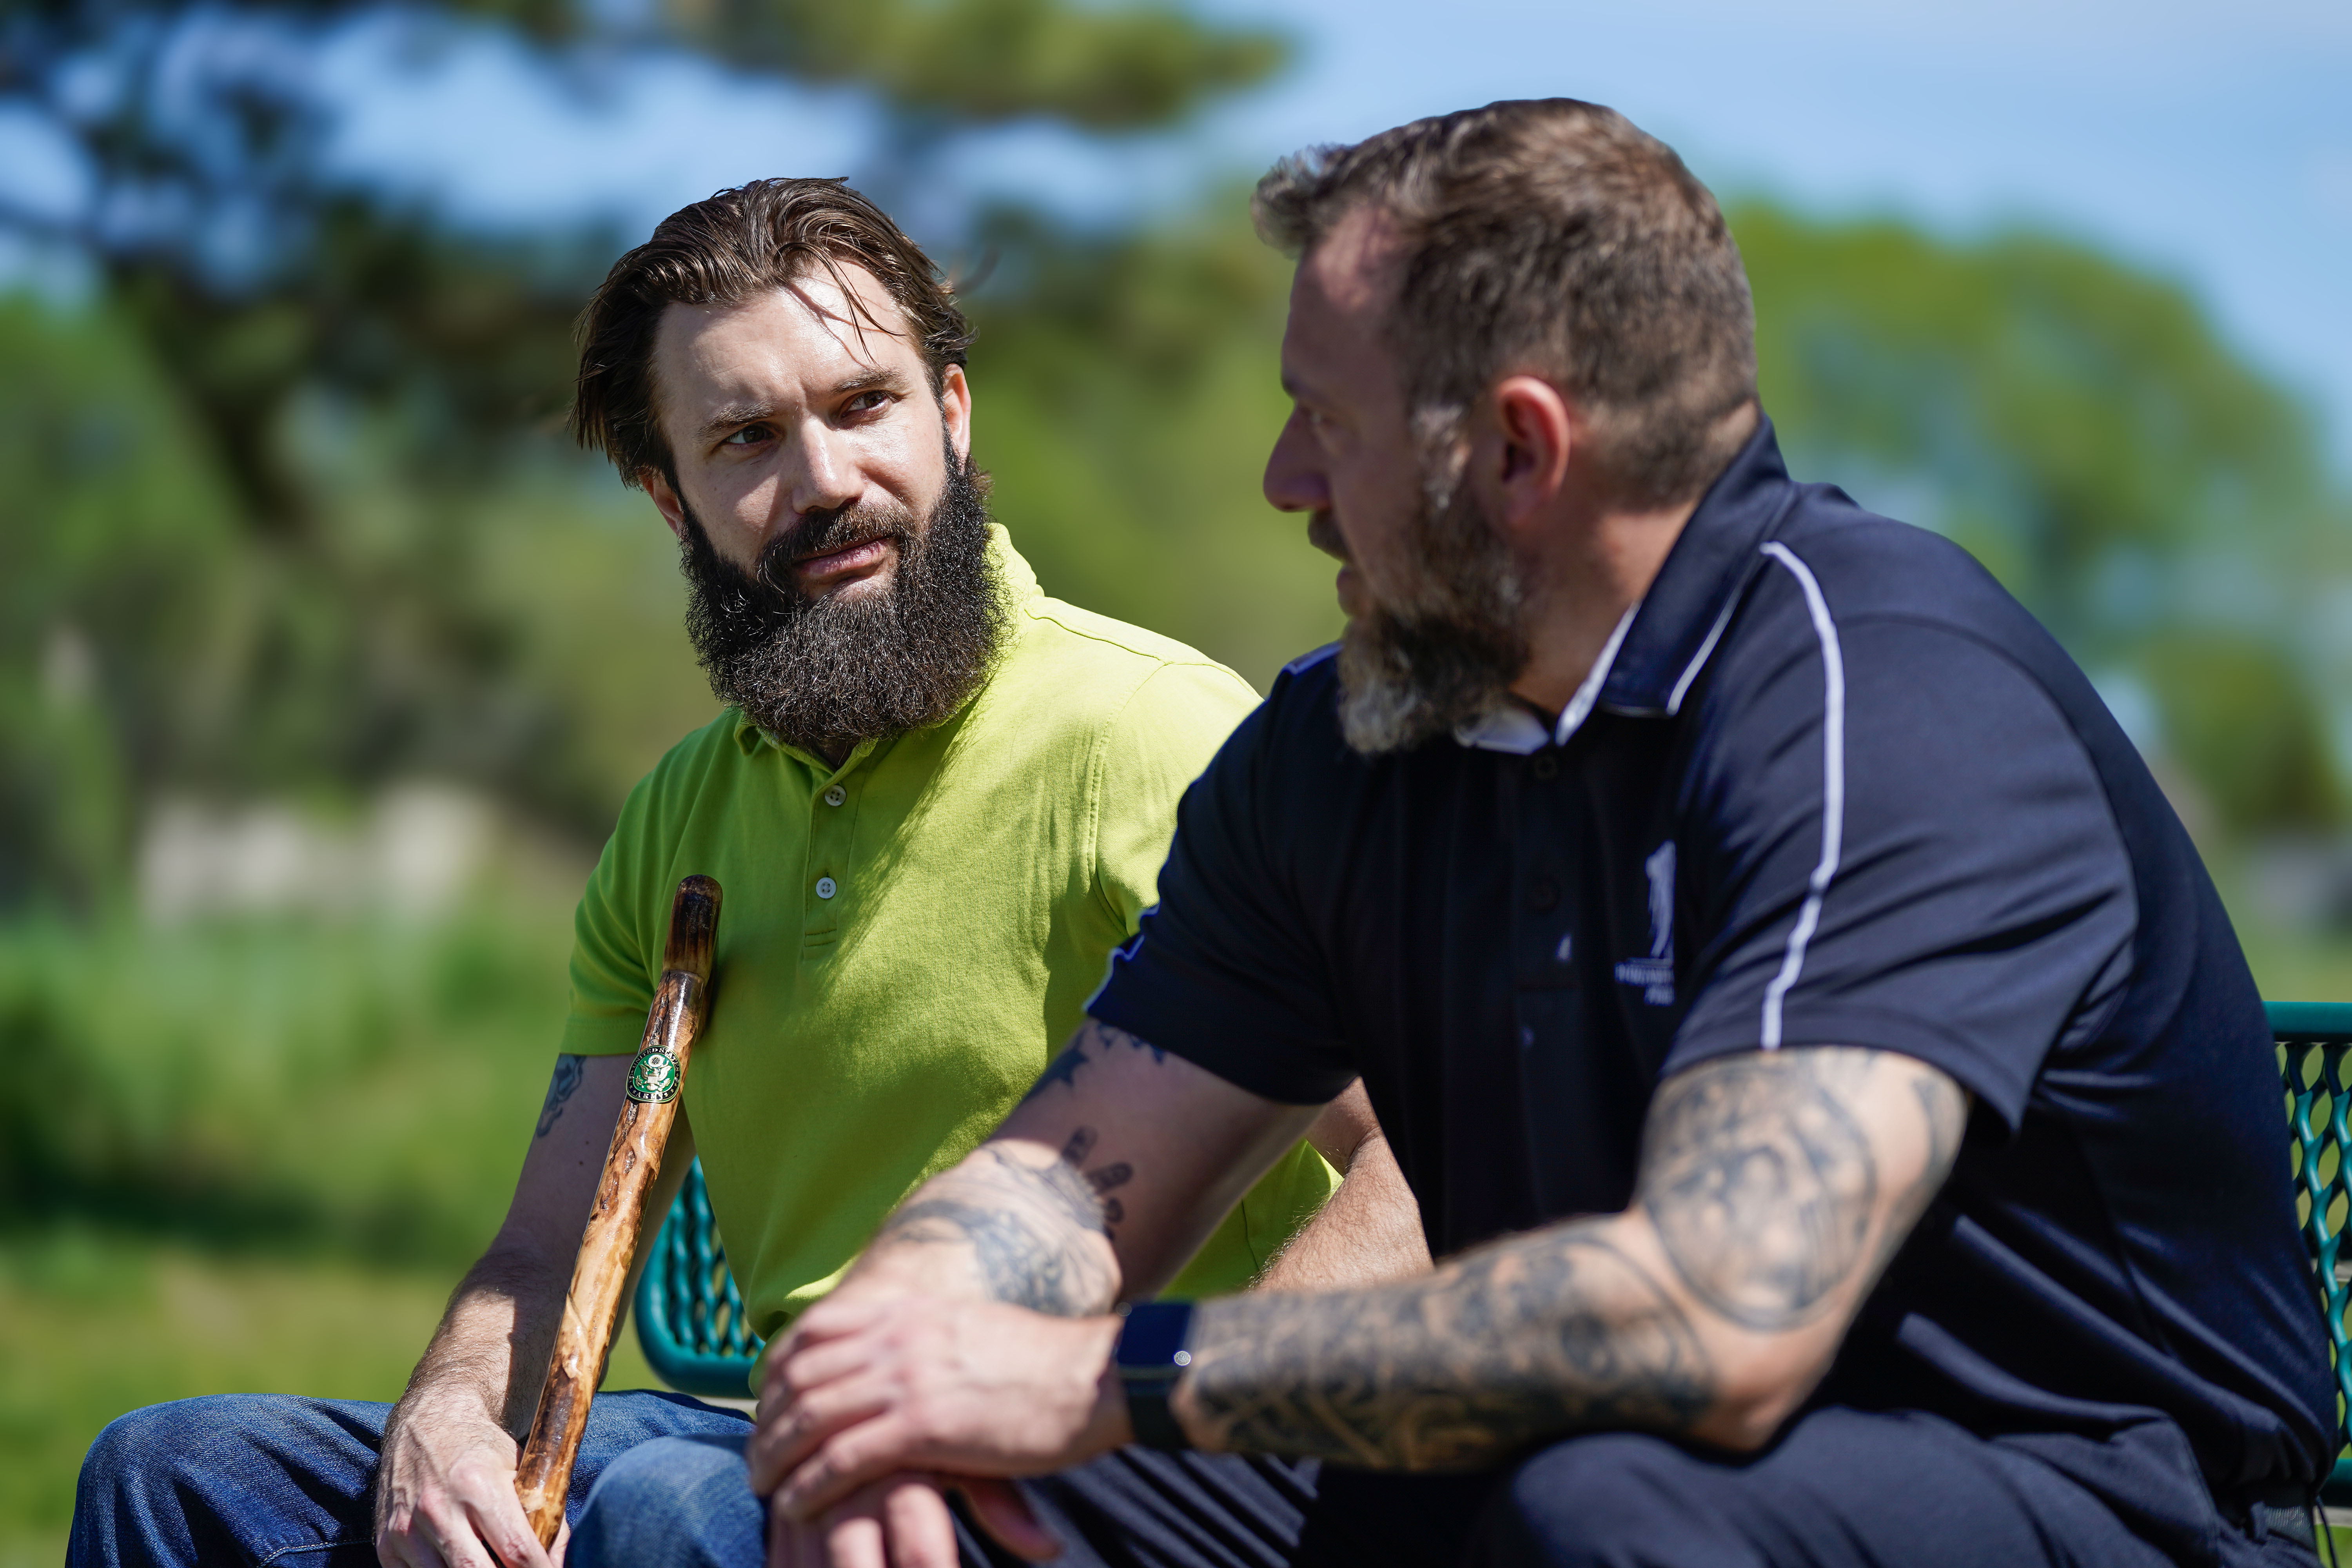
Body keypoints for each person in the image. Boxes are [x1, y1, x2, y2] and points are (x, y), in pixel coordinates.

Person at [589, 102, 2333, 1568]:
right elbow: (1073, 1172)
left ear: (1514, 452)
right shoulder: (1344, 746)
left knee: (1585, 1517)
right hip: (1551, 1451)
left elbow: (1723, 1313)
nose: (1283, 478)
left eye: (1326, 420)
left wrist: (1098, 1377)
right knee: (985, 1497)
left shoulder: (1885, 697)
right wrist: (899, 1374)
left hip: (2074, 1482)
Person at [66, 178, 1429, 1568]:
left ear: (953, 419)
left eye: (864, 407)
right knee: (178, 1475)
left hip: (1099, 1458)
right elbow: (543, 1253)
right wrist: (450, 1415)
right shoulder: (678, 822)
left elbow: (1421, 1165)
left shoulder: (1155, 741)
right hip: (789, 1432)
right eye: (747, 438)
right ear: (671, 499)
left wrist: (1171, 1418)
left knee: (670, 1514)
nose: (827, 478)